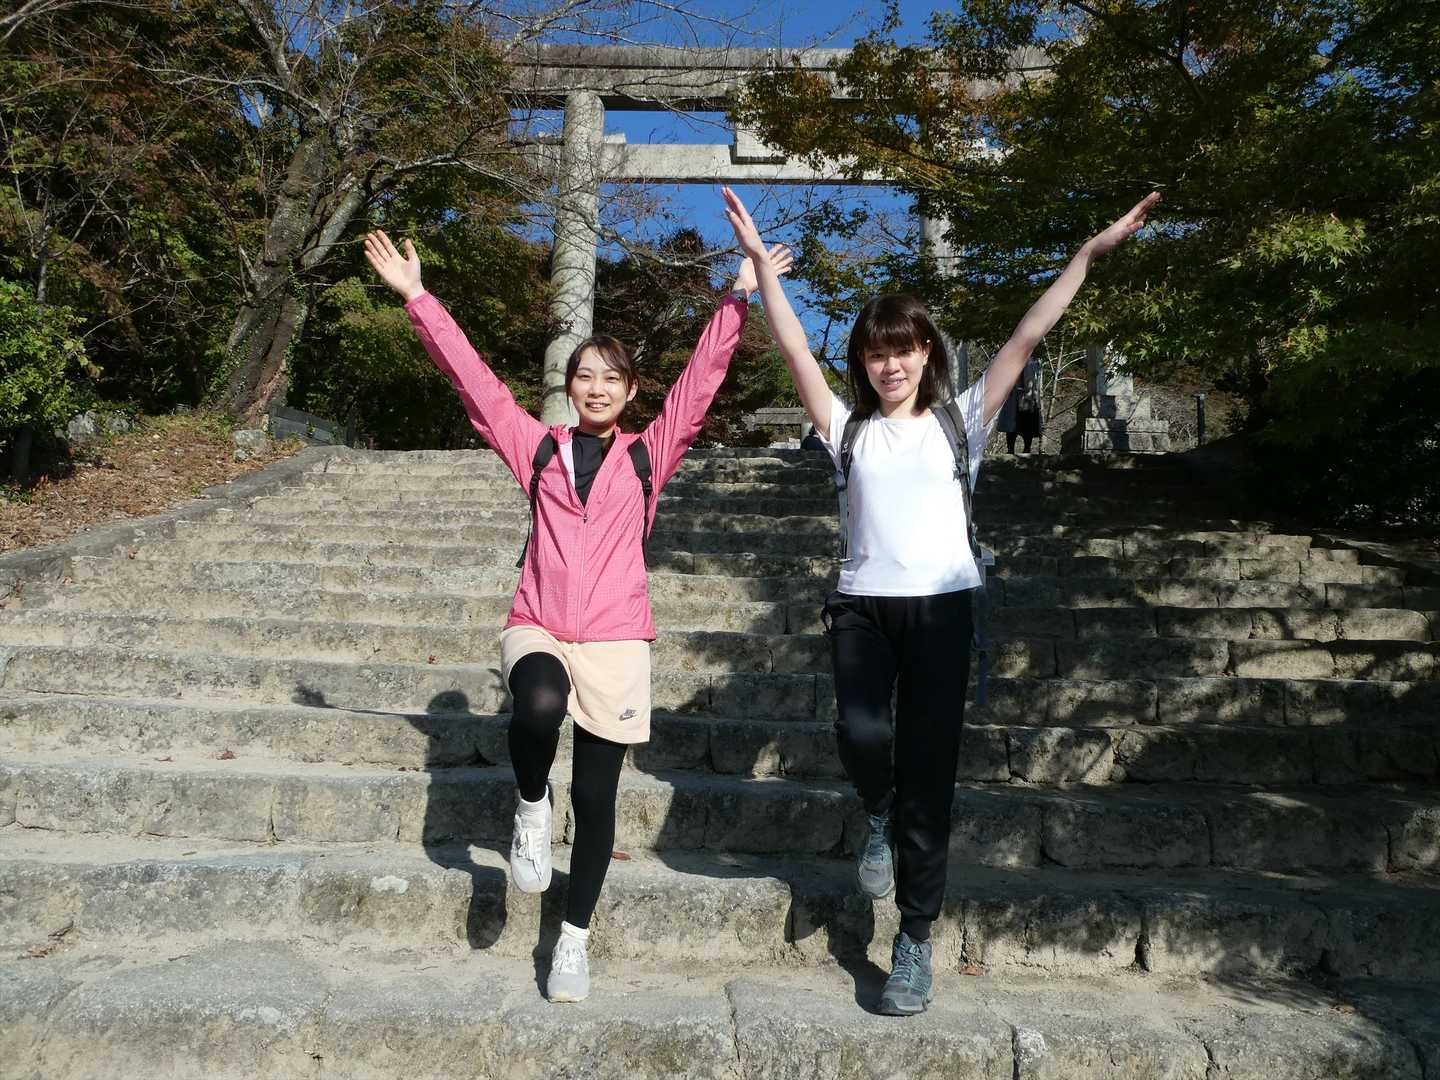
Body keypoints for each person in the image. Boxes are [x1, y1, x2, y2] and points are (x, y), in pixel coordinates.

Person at [722, 185, 1159, 1015]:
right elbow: (793, 346)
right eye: (875, 354)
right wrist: (759, 266)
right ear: (862, 362)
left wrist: (1086, 254)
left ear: (927, 352)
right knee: (861, 734)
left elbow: (1029, 335)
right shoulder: (846, 429)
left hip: (944, 610)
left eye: (904, 350)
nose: (889, 365)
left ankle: (914, 940)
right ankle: (875, 809)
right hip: (862, 606)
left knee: (931, 781)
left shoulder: (963, 420)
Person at [364, 221, 792, 1003]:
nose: (595, 387)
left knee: (596, 801)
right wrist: (418, 297)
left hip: (617, 640)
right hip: (539, 621)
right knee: (536, 705)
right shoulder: (536, 449)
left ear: (630, 392)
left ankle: (573, 940)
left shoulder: (647, 454)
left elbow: (699, 386)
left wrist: (737, 299)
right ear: (569, 387)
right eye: (584, 375)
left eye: (610, 378)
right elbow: (476, 383)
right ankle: (531, 804)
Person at [998, 355, 1044, 454]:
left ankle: (1017, 450)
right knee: (1024, 426)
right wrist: (1030, 395)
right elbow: (1029, 380)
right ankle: (1020, 450)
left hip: (1019, 397)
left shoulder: (1021, 358)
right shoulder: (1029, 359)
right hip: (1023, 399)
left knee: (1017, 426)